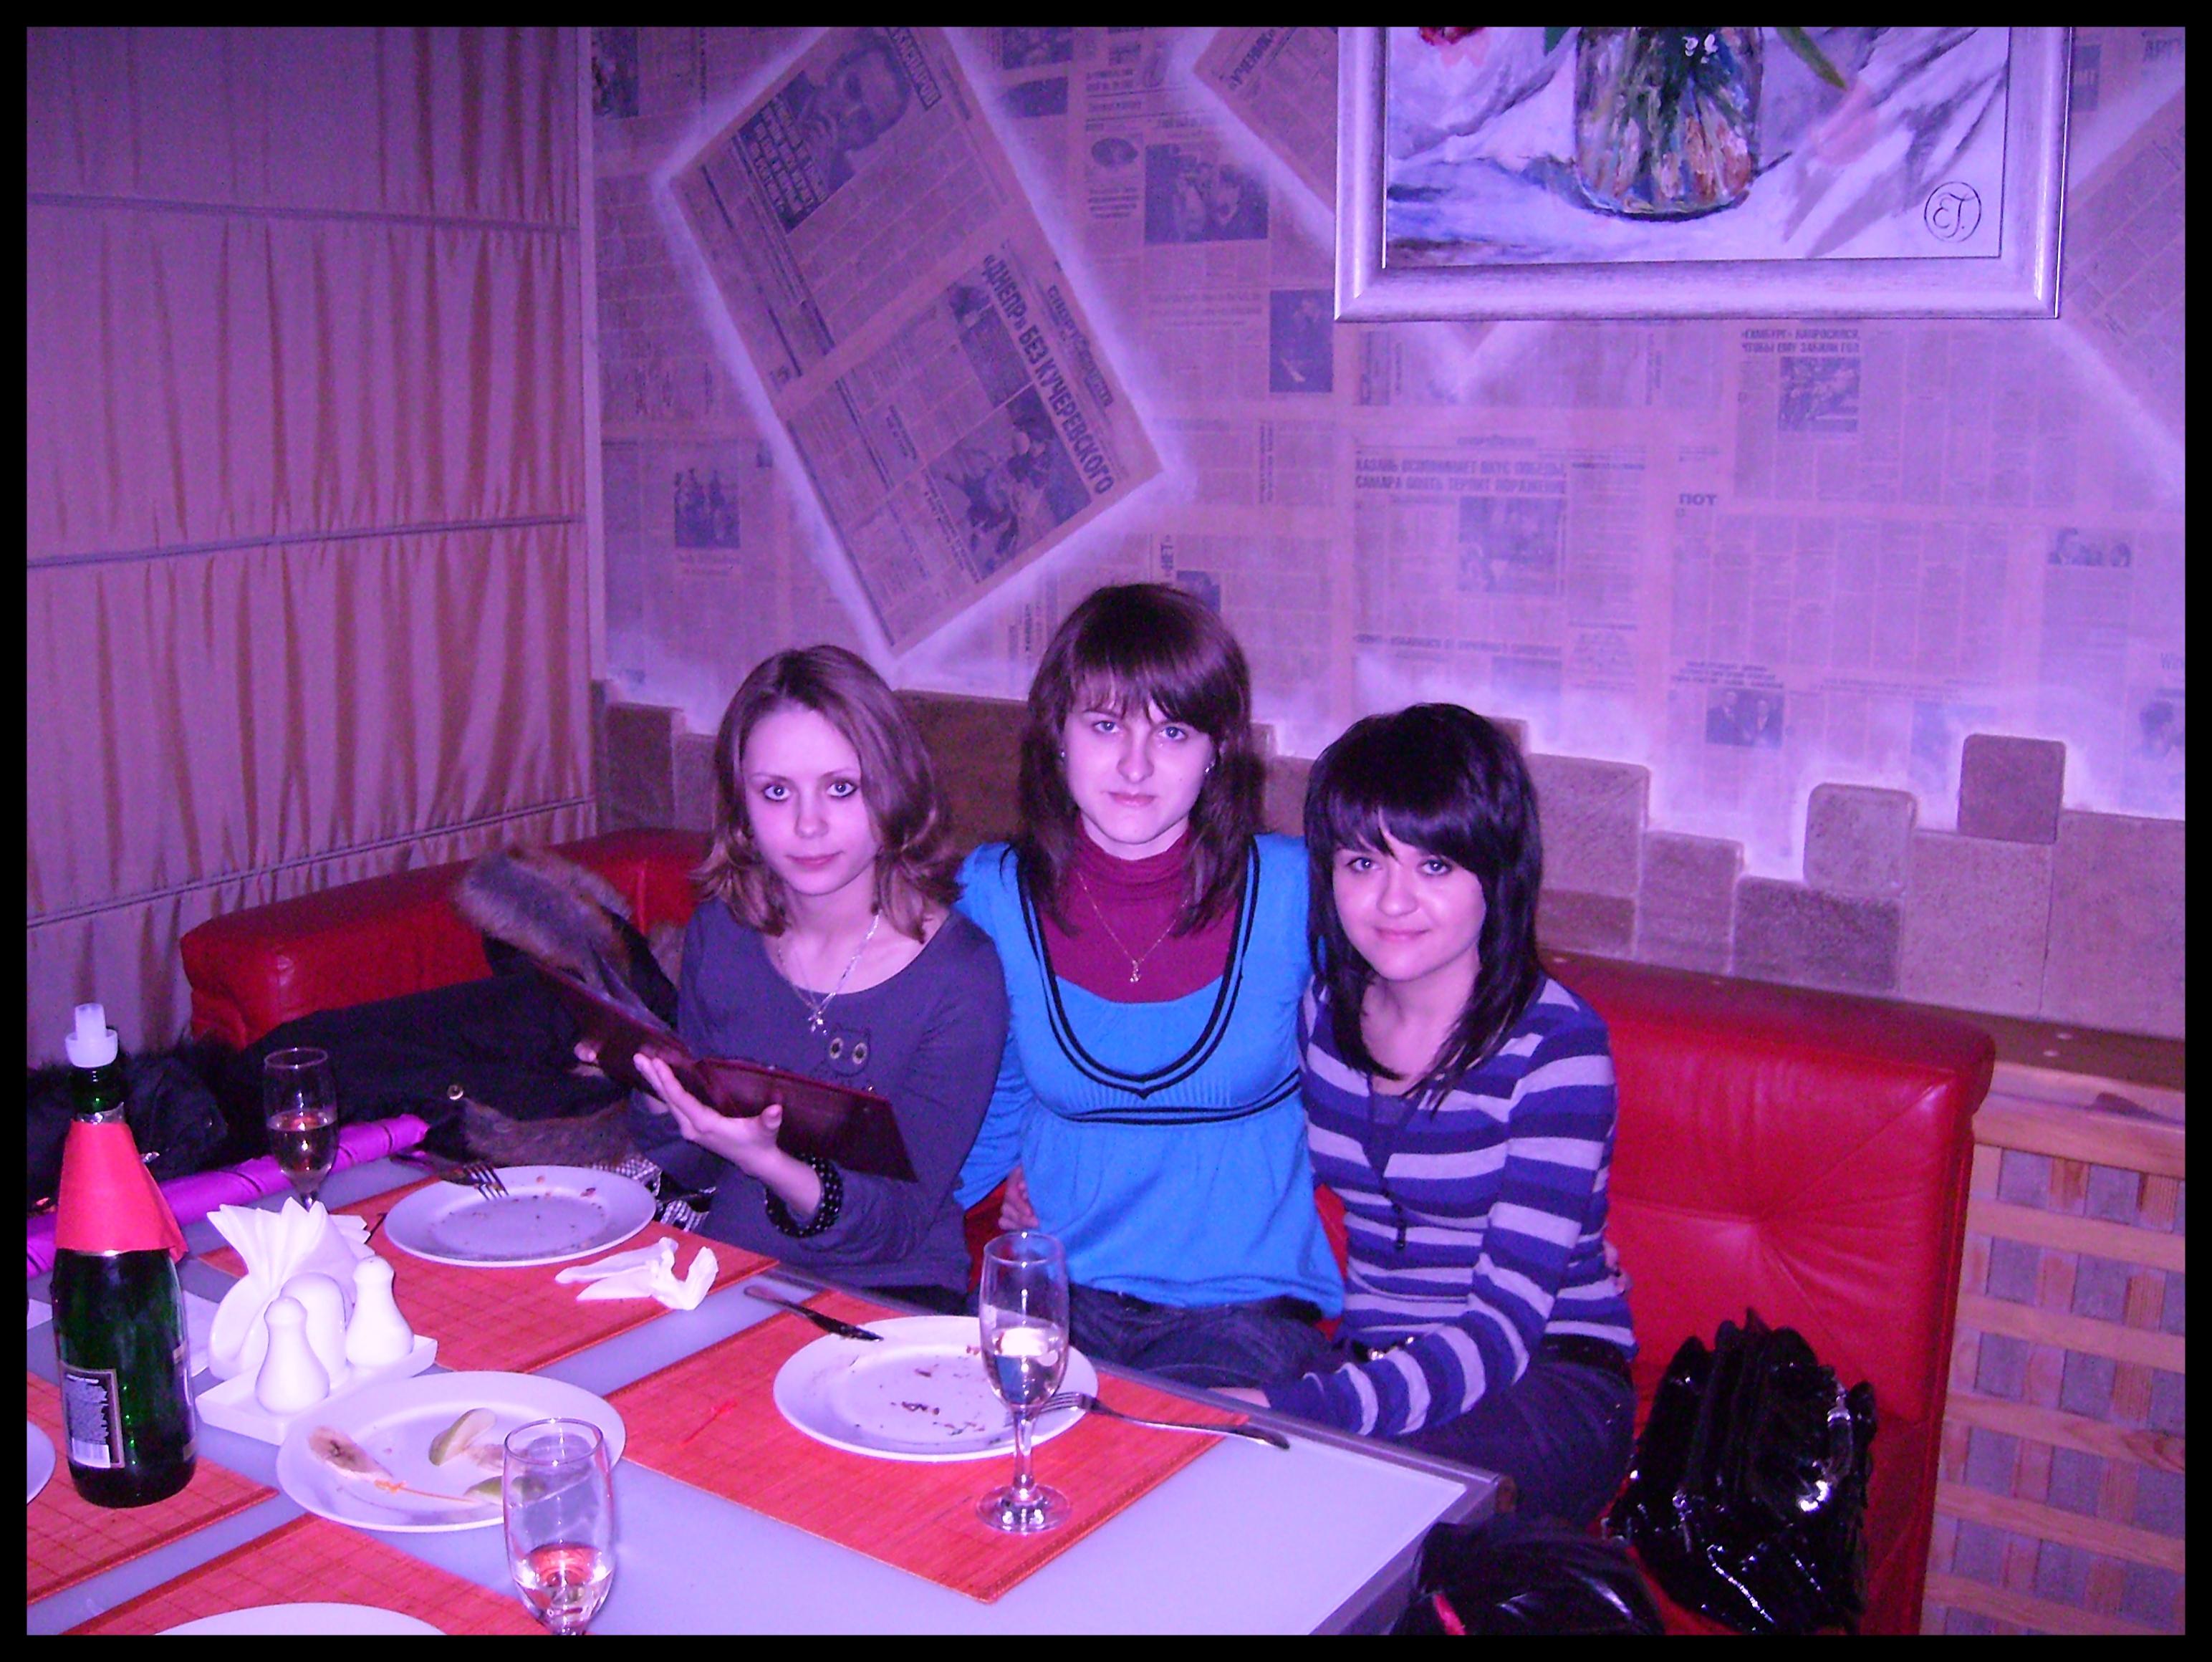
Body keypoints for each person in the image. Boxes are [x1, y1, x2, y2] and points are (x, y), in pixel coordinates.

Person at [1226, 703, 1635, 1529]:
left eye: (1436, 865)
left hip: (1546, 1379)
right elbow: (1229, 1148)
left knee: (1346, 1500)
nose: (1392, 899)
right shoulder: (1321, 1016)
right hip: (1381, 1364)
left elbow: (1502, 1329)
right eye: (1362, 860)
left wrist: (1298, 1408)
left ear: (1497, 872)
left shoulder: (1555, 1049)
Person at [954, 583, 1342, 1386]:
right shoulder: (993, 892)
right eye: (1105, 726)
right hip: (1056, 1292)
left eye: (1172, 731)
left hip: (1243, 1310)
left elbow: (1401, 1062)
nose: (1135, 765)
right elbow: (984, 1097)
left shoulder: (1294, 891)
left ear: (1217, 748)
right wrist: (859, 1214)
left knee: (1179, 1454)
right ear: (1057, 736)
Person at [621, 646, 1009, 1311]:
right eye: (776, 792)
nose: (808, 824)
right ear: (741, 806)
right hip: (727, 1272)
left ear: (894, 789)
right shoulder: (723, 932)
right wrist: (660, 1091)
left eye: (841, 788)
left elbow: (898, 1224)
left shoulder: (960, 976)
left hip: (892, 1292)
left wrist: (769, 1163)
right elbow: (692, 1164)